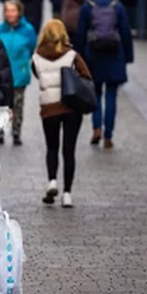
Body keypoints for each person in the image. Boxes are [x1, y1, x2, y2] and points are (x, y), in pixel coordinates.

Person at [32, 20, 92, 208]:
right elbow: (86, 76)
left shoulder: (36, 57)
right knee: (69, 150)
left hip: (49, 107)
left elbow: (38, 75)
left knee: (52, 147)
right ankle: (67, 194)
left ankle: (52, 181)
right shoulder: (72, 55)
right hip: (71, 107)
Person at [75, 0, 134, 149]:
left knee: (96, 94)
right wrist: (128, 57)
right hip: (114, 54)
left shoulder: (88, 6)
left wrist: (78, 58)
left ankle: (96, 127)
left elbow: (80, 33)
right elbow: (125, 32)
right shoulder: (117, 6)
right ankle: (108, 135)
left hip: (93, 55)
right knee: (111, 95)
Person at [0, 0, 37, 145]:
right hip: (2, 74)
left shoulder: (28, 30)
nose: (10, 14)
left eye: (13, 11)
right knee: (1, 104)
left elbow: (32, 47)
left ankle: (16, 132)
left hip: (19, 73)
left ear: (19, 12)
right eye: (7, 11)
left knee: (17, 105)